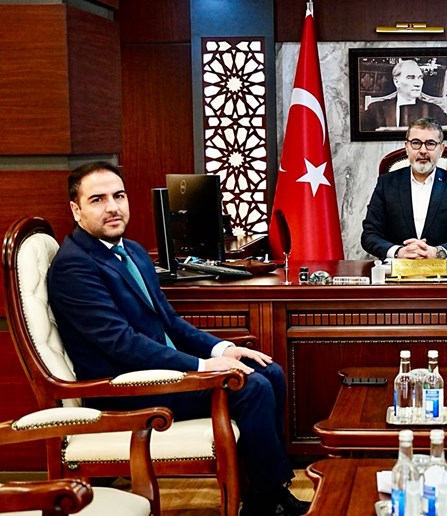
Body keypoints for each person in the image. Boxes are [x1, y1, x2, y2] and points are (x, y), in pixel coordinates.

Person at [46, 161, 309, 516]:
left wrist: (223, 348)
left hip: (161, 374)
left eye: (119, 196)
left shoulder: (132, 251)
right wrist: (201, 366)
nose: (112, 207)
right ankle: (264, 505)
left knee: (271, 372)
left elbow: (168, 321)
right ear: (76, 210)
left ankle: (269, 494)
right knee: (252, 388)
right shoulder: (74, 265)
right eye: (98, 199)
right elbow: (122, 343)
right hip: (124, 388)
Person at [361, 117, 447, 260]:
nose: (423, 150)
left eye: (430, 144)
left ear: (441, 149)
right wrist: (398, 252)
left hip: (439, 269)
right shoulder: (386, 184)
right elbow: (369, 235)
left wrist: (438, 253)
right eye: (416, 143)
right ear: (407, 147)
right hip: (397, 269)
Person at [361, 59, 447, 131]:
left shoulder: (434, 110)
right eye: (411, 78)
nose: (418, 83)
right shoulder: (376, 109)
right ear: (397, 82)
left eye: (420, 78)